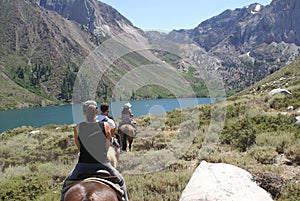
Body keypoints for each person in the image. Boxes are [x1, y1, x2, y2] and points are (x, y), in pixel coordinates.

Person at [61, 100, 129, 201]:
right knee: (121, 181)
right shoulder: (105, 126)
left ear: (84, 112)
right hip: (103, 164)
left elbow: (79, 147)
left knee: (65, 187)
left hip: (82, 165)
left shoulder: (78, 127)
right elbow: (107, 145)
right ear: (96, 111)